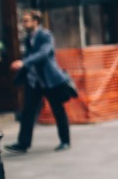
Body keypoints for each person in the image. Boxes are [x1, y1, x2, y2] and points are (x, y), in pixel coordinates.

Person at [6, 10, 72, 153]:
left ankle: (65, 141)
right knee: (28, 112)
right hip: (34, 82)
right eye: (23, 21)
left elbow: (43, 53)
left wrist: (23, 63)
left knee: (58, 111)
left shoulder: (45, 35)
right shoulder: (27, 38)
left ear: (36, 21)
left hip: (50, 80)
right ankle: (23, 144)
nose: (23, 24)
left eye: (26, 20)